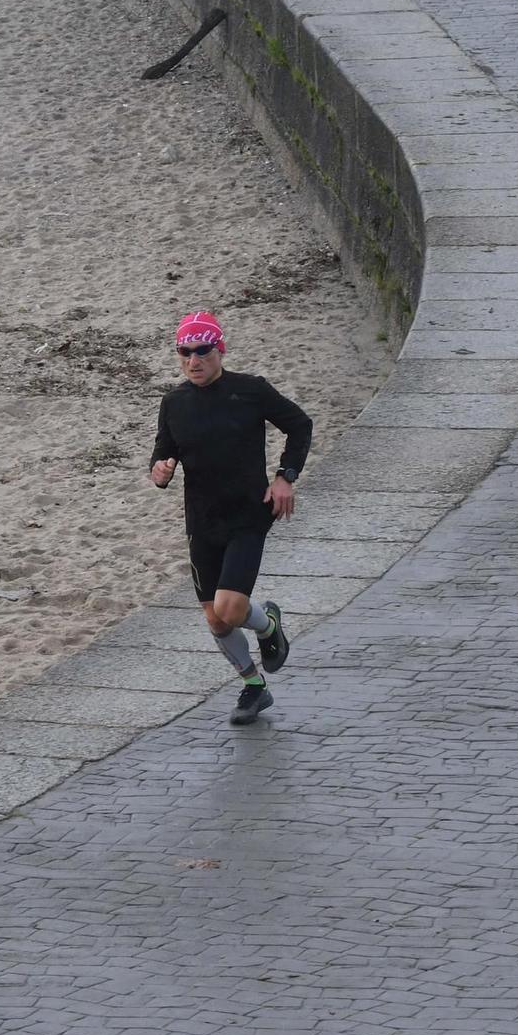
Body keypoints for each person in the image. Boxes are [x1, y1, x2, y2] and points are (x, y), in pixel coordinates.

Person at [148, 311, 312, 725]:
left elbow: (299, 425)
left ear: (219, 349)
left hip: (247, 514)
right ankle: (253, 688)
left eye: (202, 351)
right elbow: (161, 454)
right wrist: (160, 471)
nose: (193, 361)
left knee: (231, 608)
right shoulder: (175, 402)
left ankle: (268, 622)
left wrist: (284, 477)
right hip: (202, 521)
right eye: (184, 353)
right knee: (215, 619)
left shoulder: (250, 390)